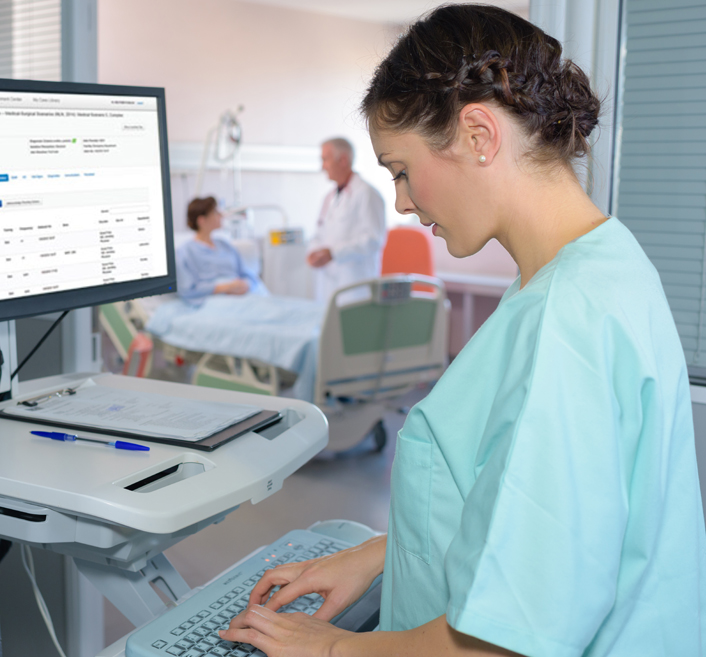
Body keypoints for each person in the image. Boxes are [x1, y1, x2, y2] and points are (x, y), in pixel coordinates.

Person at [221, 5, 706, 656]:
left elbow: (504, 642)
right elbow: (549, 521)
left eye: (400, 168)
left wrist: (329, 647)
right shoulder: (600, 265)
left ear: (478, 135)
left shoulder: (566, 319)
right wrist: (380, 555)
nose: (401, 201)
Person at [306, 137, 386, 303]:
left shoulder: (367, 194)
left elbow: (373, 240)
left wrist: (334, 253)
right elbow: (319, 234)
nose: (322, 167)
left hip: (356, 288)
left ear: (342, 160)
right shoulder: (328, 198)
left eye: (325, 160)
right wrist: (313, 252)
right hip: (329, 285)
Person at [176, 197, 267, 305]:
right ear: (202, 220)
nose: (221, 215)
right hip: (214, 302)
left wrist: (247, 284)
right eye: (215, 212)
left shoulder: (226, 246)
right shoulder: (185, 252)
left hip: (244, 297)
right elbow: (187, 289)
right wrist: (225, 287)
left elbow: (247, 274)